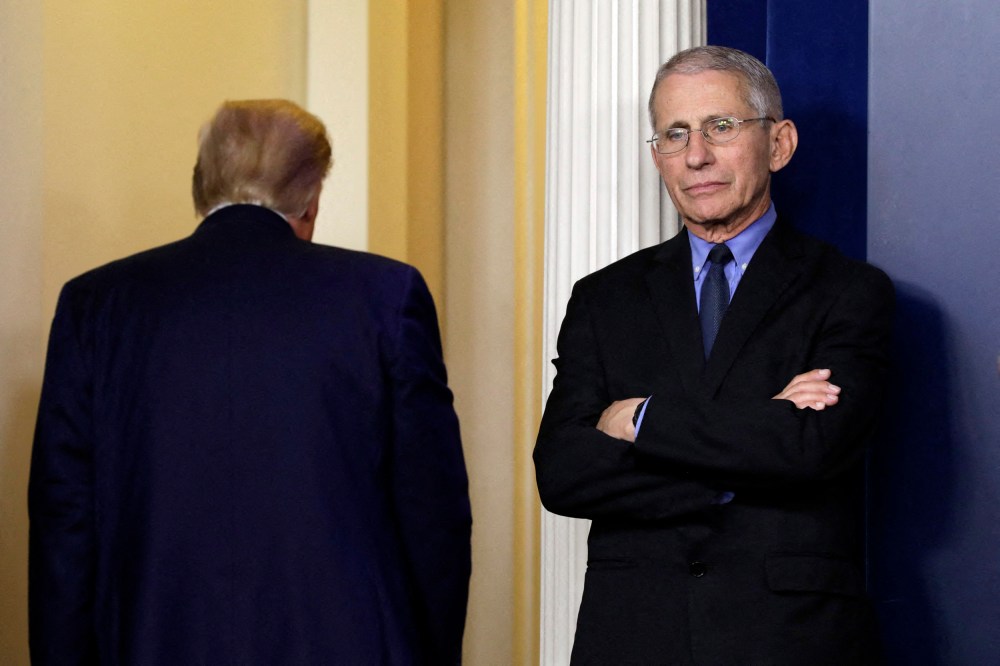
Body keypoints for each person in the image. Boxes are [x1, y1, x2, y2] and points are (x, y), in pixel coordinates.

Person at [29, 99, 471, 665]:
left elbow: (64, 522)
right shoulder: (386, 296)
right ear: (310, 200)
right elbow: (432, 515)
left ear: (202, 186)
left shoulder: (96, 305)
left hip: (151, 641)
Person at [534, 46, 892, 664]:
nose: (696, 155)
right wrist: (751, 441)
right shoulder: (603, 299)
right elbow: (564, 473)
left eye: (720, 127)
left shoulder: (848, 291)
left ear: (778, 144)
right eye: (675, 134)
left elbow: (809, 448)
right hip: (634, 634)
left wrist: (641, 420)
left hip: (790, 638)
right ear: (657, 156)